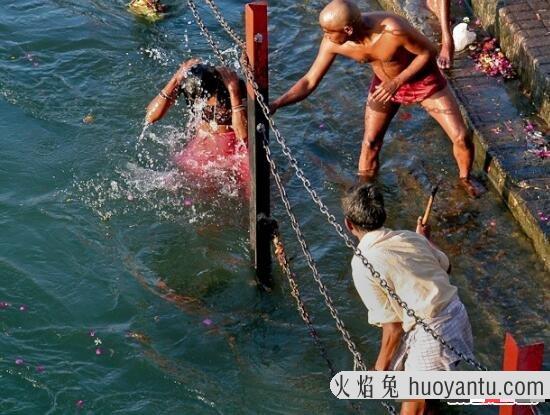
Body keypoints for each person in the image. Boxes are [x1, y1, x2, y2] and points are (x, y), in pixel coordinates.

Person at [271, 0, 483, 197]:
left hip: (422, 81)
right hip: (384, 86)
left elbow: (429, 51)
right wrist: (278, 103)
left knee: (461, 137)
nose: (324, 35)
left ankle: (465, 178)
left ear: (348, 29)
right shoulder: (333, 43)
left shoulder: (393, 29)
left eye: (327, 31)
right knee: (370, 142)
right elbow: (309, 81)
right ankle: (366, 192)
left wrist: (397, 82)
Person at [342, 183, 474, 414]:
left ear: (349, 224)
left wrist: (380, 368)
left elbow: (392, 327)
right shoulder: (410, 237)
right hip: (457, 318)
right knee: (428, 399)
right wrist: (425, 240)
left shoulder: (362, 262)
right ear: (383, 215)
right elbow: (447, 267)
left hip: (434, 331)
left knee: (413, 408)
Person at [145, 59, 249, 191]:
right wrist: (175, 80)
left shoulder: (230, 86)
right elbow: (150, 117)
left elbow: (244, 136)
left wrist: (234, 92)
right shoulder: (195, 82)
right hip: (198, 156)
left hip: (228, 158)